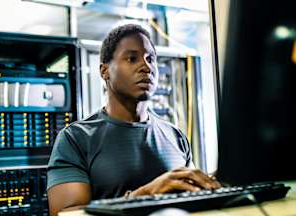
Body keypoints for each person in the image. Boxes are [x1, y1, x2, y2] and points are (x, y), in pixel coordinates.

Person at [47, 24, 221, 216]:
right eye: (132, 58)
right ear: (105, 71)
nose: (146, 67)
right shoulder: (75, 139)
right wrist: (144, 195)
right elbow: (64, 214)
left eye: (150, 59)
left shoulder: (175, 136)